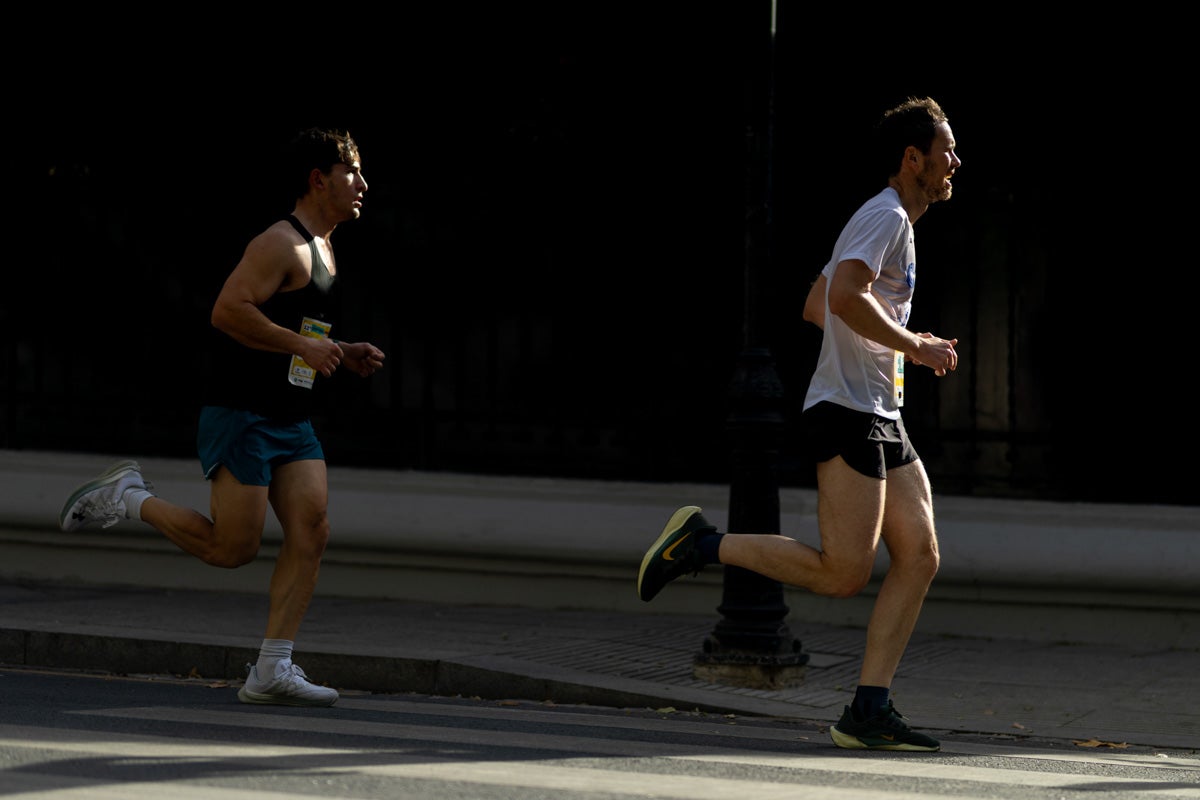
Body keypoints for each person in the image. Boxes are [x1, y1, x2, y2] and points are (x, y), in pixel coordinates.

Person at [637, 96, 961, 751]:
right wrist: (913, 347)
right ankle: (701, 544)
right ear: (912, 158)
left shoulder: (890, 220)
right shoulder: (888, 214)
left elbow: (818, 304)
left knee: (920, 554)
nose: (955, 160)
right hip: (847, 412)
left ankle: (869, 708)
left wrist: (891, 338)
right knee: (844, 574)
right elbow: (841, 297)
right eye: (946, 150)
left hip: (879, 412)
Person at [59, 127, 386, 708]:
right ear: (319, 178)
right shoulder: (279, 243)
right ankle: (129, 495)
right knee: (231, 549)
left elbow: (295, 324)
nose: (363, 183)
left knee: (312, 530)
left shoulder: (324, 247)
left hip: (291, 416)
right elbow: (227, 311)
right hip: (242, 414)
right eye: (352, 171)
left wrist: (341, 348)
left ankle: (271, 669)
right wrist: (298, 346)